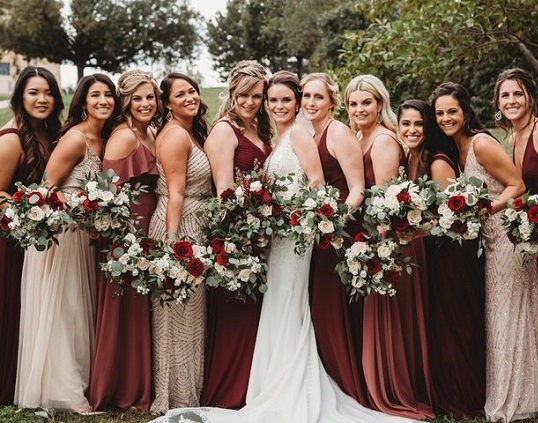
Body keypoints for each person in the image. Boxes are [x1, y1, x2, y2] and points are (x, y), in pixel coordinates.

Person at [150, 69, 423, 423]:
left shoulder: (298, 133)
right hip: (277, 237)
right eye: (273, 100)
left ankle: (291, 387)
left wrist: (303, 220)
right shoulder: (279, 136)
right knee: (278, 304)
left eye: (288, 100)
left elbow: (316, 183)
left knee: (288, 301)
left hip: (296, 238)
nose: (279, 106)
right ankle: (270, 384)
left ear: (298, 104)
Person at [432, 82, 538, 422]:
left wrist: (485, 211)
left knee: (508, 315)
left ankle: (519, 401)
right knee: (497, 317)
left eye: (452, 111)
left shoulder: (480, 142)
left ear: (466, 111)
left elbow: (518, 186)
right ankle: (503, 394)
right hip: (489, 242)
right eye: (439, 113)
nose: (445, 118)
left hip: (506, 238)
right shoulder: (460, 148)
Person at [14, 73, 118, 413]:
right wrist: (79, 213)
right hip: (61, 235)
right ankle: (65, 391)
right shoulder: (76, 139)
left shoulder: (103, 137)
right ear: (83, 102)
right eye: (95, 95)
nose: (103, 101)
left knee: (77, 311)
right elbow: (46, 190)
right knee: (62, 309)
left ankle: (80, 381)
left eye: (109, 95)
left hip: (83, 236)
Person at [345, 78, 434, 420]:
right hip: (368, 238)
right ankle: (374, 383)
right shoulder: (357, 136)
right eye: (353, 104)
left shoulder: (383, 141)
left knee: (389, 317)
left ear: (380, 104)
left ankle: (392, 388)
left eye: (366, 103)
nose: (359, 110)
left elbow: (386, 202)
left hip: (389, 242)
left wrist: (380, 249)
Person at [397, 99, 486, 418]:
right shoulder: (408, 158)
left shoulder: (436, 162)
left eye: (418, 124)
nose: (411, 130)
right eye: (405, 123)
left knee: (453, 325)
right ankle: (442, 392)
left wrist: (417, 233)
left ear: (428, 127)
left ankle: (462, 398)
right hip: (431, 255)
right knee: (437, 326)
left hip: (452, 254)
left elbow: (455, 217)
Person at [88, 70, 162, 411]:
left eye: (150, 97)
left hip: (148, 226)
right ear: (126, 103)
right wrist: (124, 240)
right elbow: (107, 194)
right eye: (137, 98)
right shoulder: (123, 137)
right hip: (126, 232)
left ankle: (137, 382)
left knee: (139, 306)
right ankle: (119, 387)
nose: (145, 104)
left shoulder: (151, 132)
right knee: (124, 307)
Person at [200, 60, 272, 409]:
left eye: (257, 95)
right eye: (244, 94)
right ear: (232, 93)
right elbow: (224, 191)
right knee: (238, 311)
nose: (250, 101)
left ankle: (255, 384)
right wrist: (242, 237)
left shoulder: (262, 126)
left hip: (264, 233)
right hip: (237, 235)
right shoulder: (225, 131)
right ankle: (230, 389)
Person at [494, 67, 538, 417]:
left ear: (530, 96)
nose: (510, 101)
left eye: (516, 94)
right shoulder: (514, 137)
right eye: (505, 95)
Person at [301, 72, 367, 406]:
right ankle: (323, 378)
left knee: (331, 307)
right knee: (319, 306)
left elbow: (358, 188)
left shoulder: (338, 132)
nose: (310, 103)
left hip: (339, 233)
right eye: (306, 96)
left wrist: (333, 220)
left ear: (331, 102)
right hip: (317, 231)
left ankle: (345, 382)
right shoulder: (309, 134)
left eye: (318, 97)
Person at [147, 72, 212, 414]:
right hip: (179, 226)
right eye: (181, 94)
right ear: (168, 103)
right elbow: (175, 193)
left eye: (193, 90)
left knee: (190, 312)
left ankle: (189, 391)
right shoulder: (174, 136)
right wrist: (173, 247)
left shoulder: (189, 131)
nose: (190, 97)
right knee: (177, 313)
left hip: (194, 223)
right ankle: (175, 395)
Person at [0, 66, 63, 405]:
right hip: (10, 240)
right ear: (20, 97)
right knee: (11, 307)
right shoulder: (10, 140)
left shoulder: (48, 133)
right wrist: (31, 207)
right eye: (34, 92)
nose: (42, 99)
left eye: (48, 92)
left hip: (35, 238)